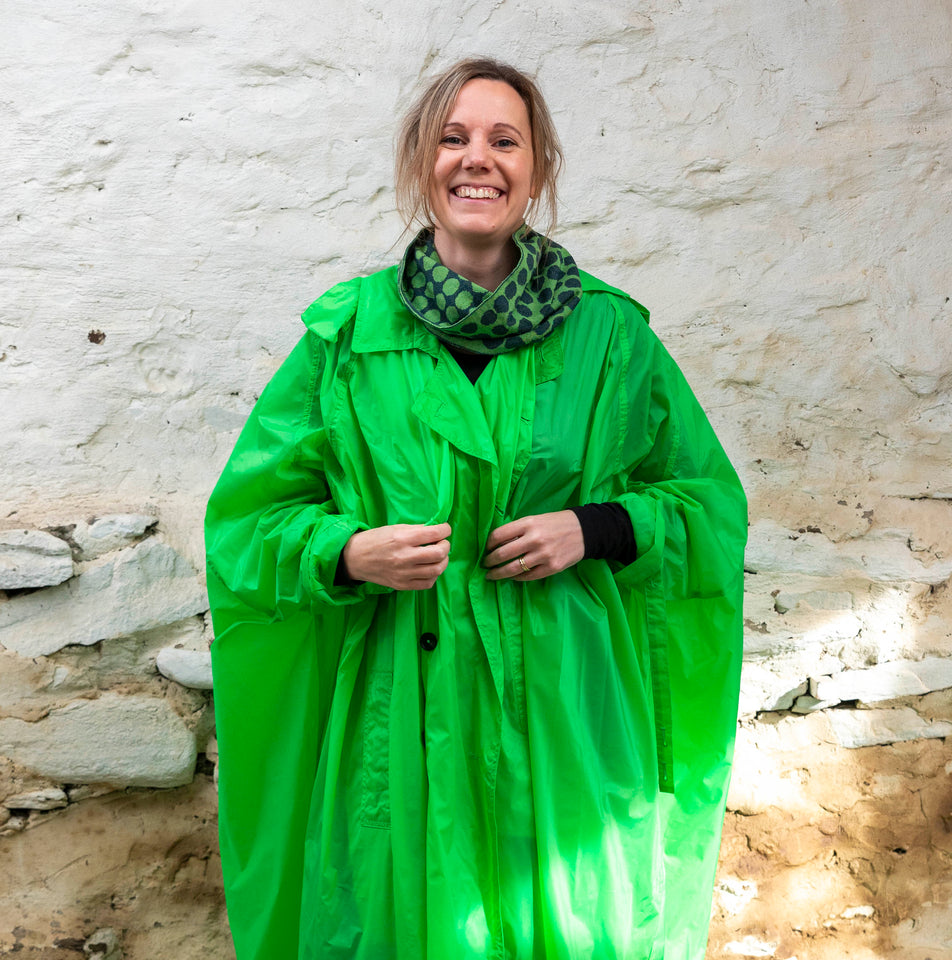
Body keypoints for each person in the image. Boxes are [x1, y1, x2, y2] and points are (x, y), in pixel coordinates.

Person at [205, 57, 747, 960]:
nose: (477, 159)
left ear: (538, 170)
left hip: (567, 704)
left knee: (570, 922)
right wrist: (345, 551)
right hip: (400, 713)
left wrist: (598, 526)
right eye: (452, 138)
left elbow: (705, 502)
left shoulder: (610, 336)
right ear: (423, 164)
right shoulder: (349, 340)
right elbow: (247, 522)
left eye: (505, 140)